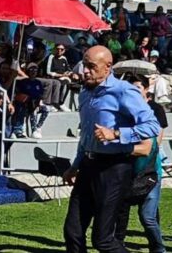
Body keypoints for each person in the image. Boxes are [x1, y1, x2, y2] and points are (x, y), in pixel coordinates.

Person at [62, 46, 160, 252]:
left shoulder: (123, 91)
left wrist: (116, 134)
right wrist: (75, 166)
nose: (85, 71)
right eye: (84, 65)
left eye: (91, 66)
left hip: (114, 168)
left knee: (103, 240)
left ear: (107, 67)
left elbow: (152, 126)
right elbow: (86, 136)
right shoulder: (85, 94)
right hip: (88, 166)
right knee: (73, 231)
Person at [115, 74, 166, 253]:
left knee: (148, 218)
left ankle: (158, 249)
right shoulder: (124, 112)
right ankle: (118, 244)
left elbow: (153, 145)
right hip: (128, 173)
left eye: (137, 88)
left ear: (146, 89)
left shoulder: (152, 111)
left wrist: (118, 145)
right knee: (120, 212)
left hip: (150, 171)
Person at [12, 63, 50, 139]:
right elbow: (18, 94)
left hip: (35, 103)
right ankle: (31, 130)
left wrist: (39, 103)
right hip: (25, 104)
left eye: (35, 70)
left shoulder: (38, 83)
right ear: (28, 71)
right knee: (31, 109)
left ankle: (38, 127)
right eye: (31, 70)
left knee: (46, 109)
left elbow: (40, 95)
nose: (33, 72)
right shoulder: (23, 82)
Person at [45, 43, 73, 110]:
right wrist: (60, 75)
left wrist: (69, 73)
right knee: (60, 83)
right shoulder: (51, 57)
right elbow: (48, 71)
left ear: (64, 51)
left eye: (61, 49)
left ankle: (61, 102)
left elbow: (68, 69)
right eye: (58, 49)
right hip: (54, 77)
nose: (59, 51)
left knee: (67, 83)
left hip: (63, 77)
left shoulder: (64, 58)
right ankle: (56, 103)